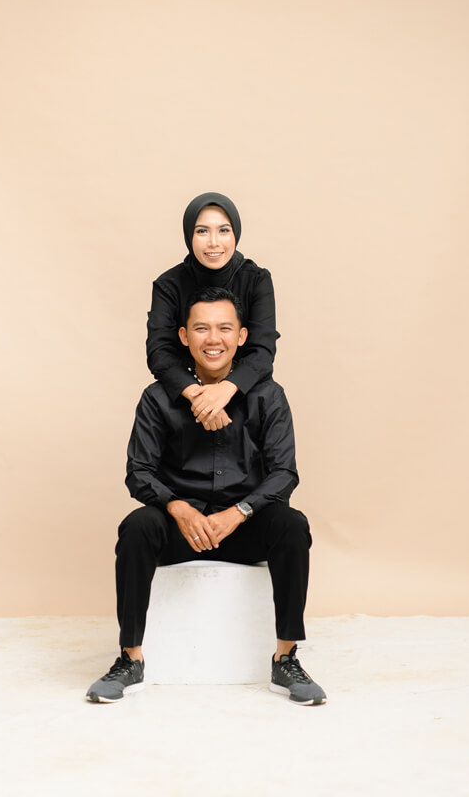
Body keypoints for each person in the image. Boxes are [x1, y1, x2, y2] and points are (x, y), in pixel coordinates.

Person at [86, 288, 326, 706]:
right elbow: (138, 472)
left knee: (292, 525)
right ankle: (130, 659)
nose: (213, 338)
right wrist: (178, 508)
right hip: (183, 530)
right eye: (201, 328)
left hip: (244, 528)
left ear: (241, 336)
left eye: (224, 328)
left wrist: (239, 512)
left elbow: (284, 474)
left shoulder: (268, 395)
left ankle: (286, 658)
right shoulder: (157, 397)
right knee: (137, 526)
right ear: (183, 336)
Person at [146, 192, 279, 432]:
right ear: (189, 235)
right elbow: (159, 352)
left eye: (224, 230)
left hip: (243, 393)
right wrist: (201, 399)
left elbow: (262, 349)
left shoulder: (257, 279)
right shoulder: (168, 285)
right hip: (185, 396)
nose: (214, 242)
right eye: (202, 231)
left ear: (236, 233)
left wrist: (224, 391)